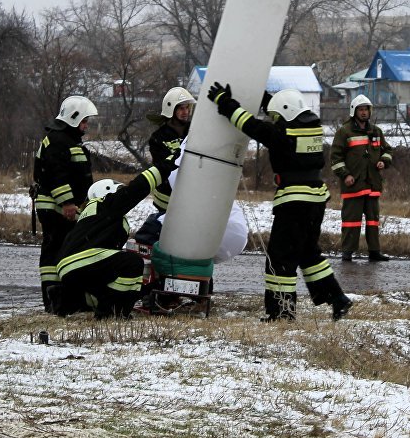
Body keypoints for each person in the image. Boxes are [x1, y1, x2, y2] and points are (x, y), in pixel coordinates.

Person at [207, 82, 352, 321]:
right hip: (316, 200)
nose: (274, 119)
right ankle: (337, 297)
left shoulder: (281, 135)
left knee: (280, 258)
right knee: (307, 253)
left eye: (276, 116)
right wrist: (261, 97)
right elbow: (284, 110)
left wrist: (225, 102)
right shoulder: (312, 129)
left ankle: (281, 312)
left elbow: (249, 124)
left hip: (294, 202)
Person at [53, 162, 175, 318]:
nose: (120, 194)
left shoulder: (91, 216)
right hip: (84, 260)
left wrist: (147, 288)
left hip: (71, 267)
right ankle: (113, 312)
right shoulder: (104, 204)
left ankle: (73, 302)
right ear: (105, 192)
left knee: (115, 279)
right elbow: (135, 190)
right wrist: (162, 167)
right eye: (117, 191)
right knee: (132, 263)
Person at [33, 95, 97, 312]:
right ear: (73, 118)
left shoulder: (67, 141)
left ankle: (62, 299)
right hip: (56, 208)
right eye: (84, 121)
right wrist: (67, 203)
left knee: (62, 249)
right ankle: (53, 298)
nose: (86, 125)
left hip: (63, 208)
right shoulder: (59, 141)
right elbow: (56, 176)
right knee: (55, 250)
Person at [330, 94, 393, 262]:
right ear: (354, 111)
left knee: (373, 221)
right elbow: (335, 158)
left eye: (366, 109)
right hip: (353, 184)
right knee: (351, 221)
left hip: (372, 184)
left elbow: (388, 150)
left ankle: (374, 252)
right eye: (361, 109)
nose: (364, 112)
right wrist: (346, 175)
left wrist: (383, 161)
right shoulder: (344, 131)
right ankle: (347, 252)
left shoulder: (376, 131)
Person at [147, 87, 196, 213]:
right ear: (171, 110)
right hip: (166, 200)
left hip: (189, 195)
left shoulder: (194, 130)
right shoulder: (158, 138)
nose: (185, 112)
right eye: (181, 108)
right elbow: (163, 167)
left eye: (187, 108)